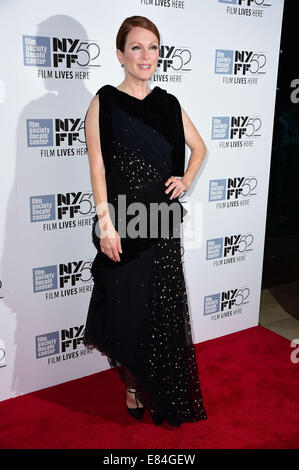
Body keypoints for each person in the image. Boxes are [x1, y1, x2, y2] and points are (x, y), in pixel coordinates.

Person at [82, 15, 208, 427]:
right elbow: (98, 170)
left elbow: (200, 148)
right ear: (120, 54)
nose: (145, 55)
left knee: (161, 312)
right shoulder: (104, 101)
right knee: (127, 312)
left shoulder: (169, 104)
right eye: (136, 47)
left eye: (153, 47)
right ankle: (134, 383)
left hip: (161, 222)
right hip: (123, 225)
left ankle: (155, 388)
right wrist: (105, 225)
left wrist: (185, 179)